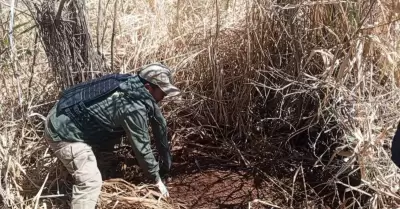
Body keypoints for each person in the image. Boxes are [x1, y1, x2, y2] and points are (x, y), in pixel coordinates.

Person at [43, 63, 180, 209]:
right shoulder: (132, 107)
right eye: (163, 92)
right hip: (63, 133)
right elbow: (142, 148)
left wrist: (166, 164)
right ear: (148, 87)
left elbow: (159, 122)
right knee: (90, 181)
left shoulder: (132, 85)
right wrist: (156, 180)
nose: (164, 96)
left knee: (106, 162)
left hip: (68, 116)